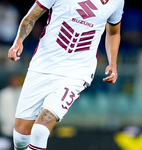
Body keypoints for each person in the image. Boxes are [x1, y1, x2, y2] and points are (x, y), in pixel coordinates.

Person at [8, 0, 124, 149]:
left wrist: (113, 63)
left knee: (40, 131)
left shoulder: (116, 1)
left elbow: (114, 32)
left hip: (76, 72)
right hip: (43, 66)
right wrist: (19, 40)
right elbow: (31, 16)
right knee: (20, 138)